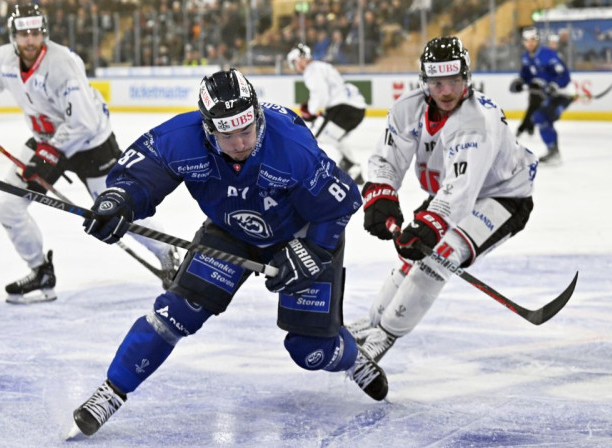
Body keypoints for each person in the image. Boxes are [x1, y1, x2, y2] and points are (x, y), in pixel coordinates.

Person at [69, 69, 388, 438]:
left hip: (299, 236)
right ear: (207, 129)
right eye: (226, 133)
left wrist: (313, 249)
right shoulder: (179, 138)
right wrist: (118, 199)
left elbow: (342, 201)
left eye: (246, 130)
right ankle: (111, 391)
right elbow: (138, 177)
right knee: (175, 313)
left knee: (309, 350)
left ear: (258, 117)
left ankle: (350, 357)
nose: (238, 143)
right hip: (229, 232)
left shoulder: (292, 146)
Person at [0, 4, 178, 304]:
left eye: (36, 33)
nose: (30, 40)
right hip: (46, 140)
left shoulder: (63, 64)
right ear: (13, 36)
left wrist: (49, 156)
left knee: (119, 210)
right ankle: (40, 271)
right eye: (24, 34)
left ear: (44, 33)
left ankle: (167, 252)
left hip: (91, 144)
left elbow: (83, 123)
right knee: (8, 207)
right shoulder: (4, 58)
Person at [346, 37, 537, 367]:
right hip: (450, 193)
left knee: (438, 254)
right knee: (412, 253)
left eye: (454, 81)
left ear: (467, 78)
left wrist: (429, 223)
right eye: (437, 82)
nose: (446, 91)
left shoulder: (477, 120)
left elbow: (461, 191)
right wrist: (381, 193)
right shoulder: (409, 108)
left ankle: (385, 335)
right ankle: (374, 322)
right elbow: (387, 159)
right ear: (424, 81)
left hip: (503, 196)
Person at [286, 43, 367, 184]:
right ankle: (353, 168)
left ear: (300, 59)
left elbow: (320, 94)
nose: (296, 67)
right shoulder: (322, 66)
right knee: (334, 138)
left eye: (294, 63)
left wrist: (310, 111)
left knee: (314, 137)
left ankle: (309, 174)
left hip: (343, 107)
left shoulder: (311, 70)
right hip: (356, 107)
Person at [509, 27, 574, 165]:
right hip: (551, 95)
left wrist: (555, 84)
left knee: (541, 117)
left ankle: (554, 152)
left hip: (563, 94)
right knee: (540, 118)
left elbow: (564, 76)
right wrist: (520, 82)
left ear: (537, 40)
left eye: (533, 39)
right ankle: (554, 152)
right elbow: (526, 75)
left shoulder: (548, 54)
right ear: (523, 42)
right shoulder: (526, 57)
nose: (530, 43)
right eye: (527, 40)